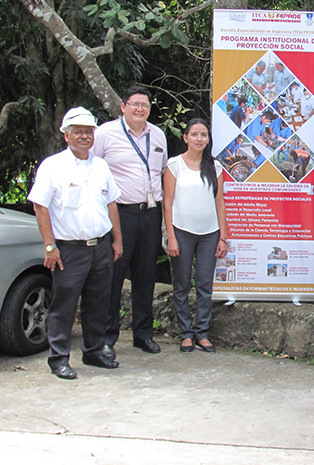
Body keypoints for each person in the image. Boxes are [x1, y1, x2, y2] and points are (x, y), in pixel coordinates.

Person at [28, 107, 123, 380]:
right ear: (66, 135)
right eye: (78, 132)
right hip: (69, 249)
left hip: (101, 247)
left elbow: (111, 204)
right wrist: (50, 246)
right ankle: (58, 358)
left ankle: (93, 351)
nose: (85, 136)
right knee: (64, 305)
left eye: (89, 131)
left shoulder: (101, 165)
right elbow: (40, 206)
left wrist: (117, 240)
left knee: (98, 303)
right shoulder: (53, 166)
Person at [92, 86, 168, 357]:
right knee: (112, 275)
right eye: (134, 104)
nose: (140, 109)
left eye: (145, 105)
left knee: (146, 275)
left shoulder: (157, 135)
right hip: (120, 214)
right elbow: (93, 170)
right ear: (123, 107)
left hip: (150, 212)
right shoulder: (105, 133)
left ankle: (143, 334)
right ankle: (106, 337)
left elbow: (161, 171)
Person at [163, 119, 228, 354]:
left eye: (203, 135)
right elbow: (168, 203)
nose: (199, 139)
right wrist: (170, 235)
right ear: (186, 138)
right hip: (181, 231)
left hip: (209, 234)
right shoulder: (174, 165)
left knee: (204, 285)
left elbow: (220, 203)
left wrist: (223, 236)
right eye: (194, 134)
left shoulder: (215, 167)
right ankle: (185, 334)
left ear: (208, 139)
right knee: (181, 285)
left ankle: (202, 333)